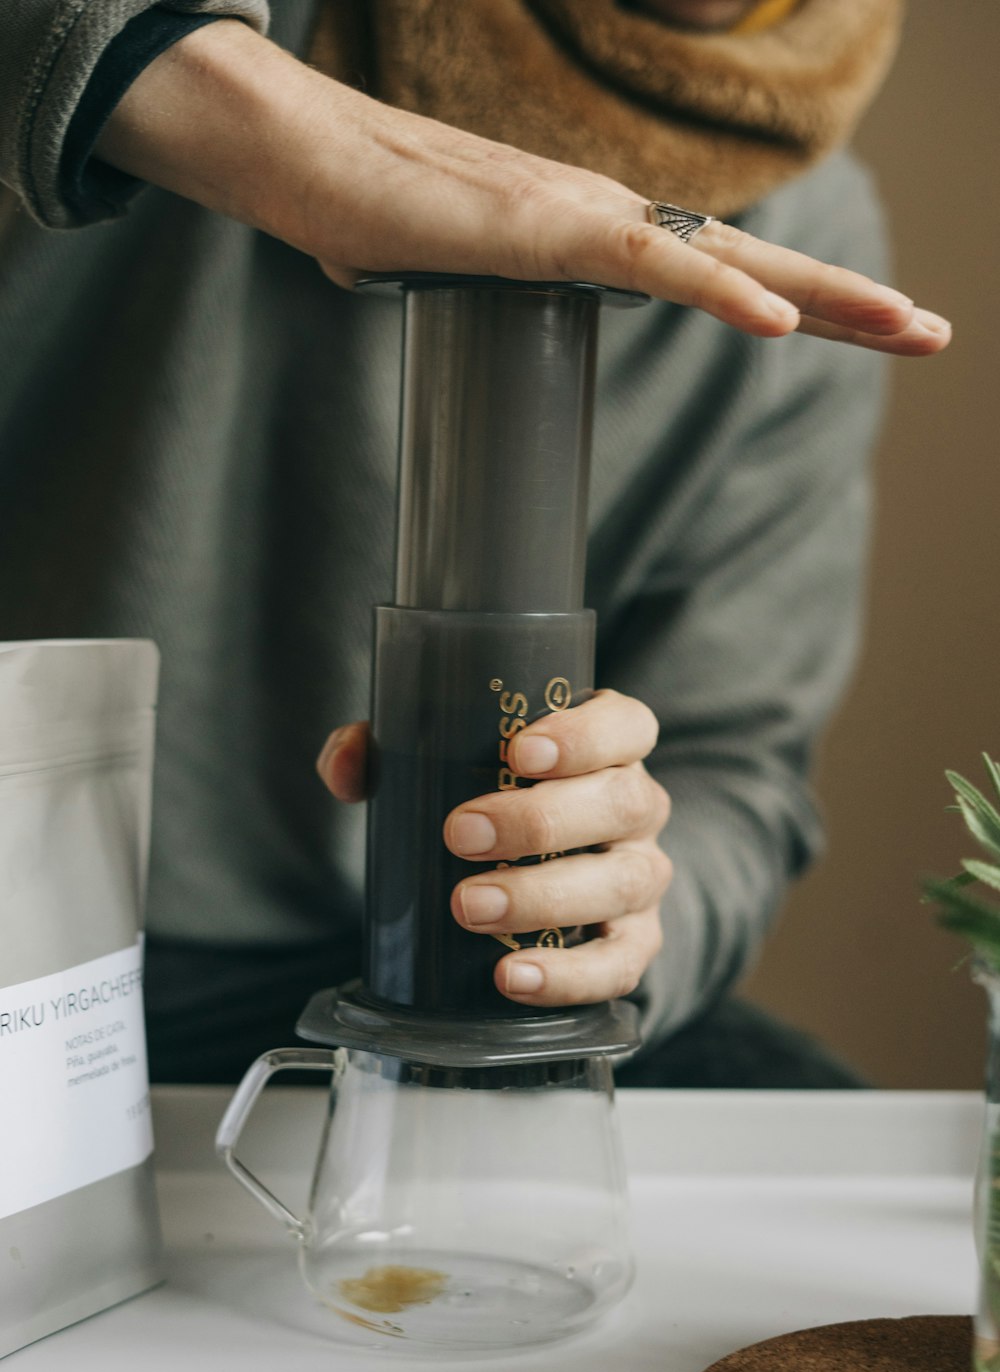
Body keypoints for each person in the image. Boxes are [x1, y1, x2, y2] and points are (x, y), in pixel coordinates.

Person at [0, 0, 949, 1085]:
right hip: (26, 907)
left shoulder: (806, 241)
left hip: (425, 946)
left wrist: (618, 910)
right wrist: (297, 135)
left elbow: (737, 763)